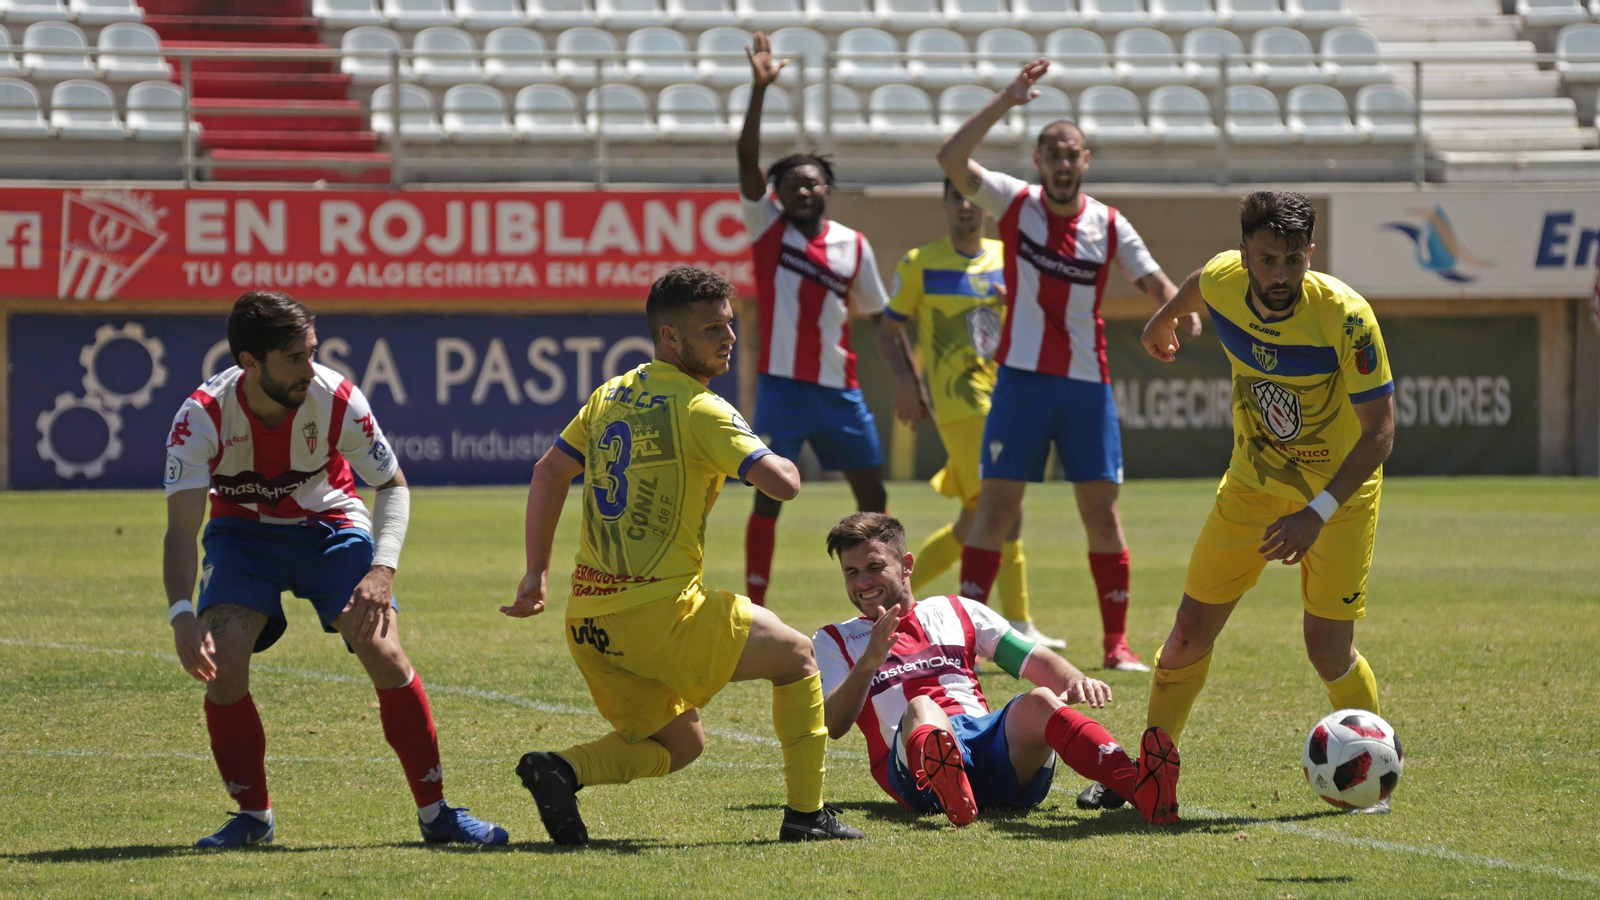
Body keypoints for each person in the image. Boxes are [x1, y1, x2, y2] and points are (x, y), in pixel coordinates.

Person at [503, 266, 864, 844]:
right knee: (798, 656)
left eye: (729, 324)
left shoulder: (609, 394)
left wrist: (536, 573)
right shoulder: (704, 409)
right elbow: (783, 484)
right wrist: (774, 448)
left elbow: (550, 471)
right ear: (671, 338)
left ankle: (560, 769)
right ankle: (806, 817)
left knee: (682, 744)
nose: (728, 337)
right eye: (712, 328)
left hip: (591, 622)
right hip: (663, 616)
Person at [162, 291, 506, 849]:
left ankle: (437, 814)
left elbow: (392, 485)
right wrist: (182, 614)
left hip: (330, 527)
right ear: (249, 363)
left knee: (385, 652)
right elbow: (181, 531)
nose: (309, 368)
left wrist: (382, 568)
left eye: (311, 352)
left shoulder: (336, 397)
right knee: (224, 665)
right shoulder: (200, 417)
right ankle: (253, 819)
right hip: (242, 536)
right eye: (293, 358)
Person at [1114, 190, 1395, 812]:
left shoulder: (1345, 317)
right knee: (1188, 633)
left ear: (1310, 255)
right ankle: (1151, 770)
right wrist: (1162, 319)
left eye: (1293, 260)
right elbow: (1197, 285)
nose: (1280, 276)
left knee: (1327, 649)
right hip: (1249, 489)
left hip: (1336, 502)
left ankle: (1373, 774)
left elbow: (1379, 432)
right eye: (1266, 260)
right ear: (1244, 254)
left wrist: (1315, 514)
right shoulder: (1222, 277)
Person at [935, 60, 1203, 672]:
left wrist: (1176, 311)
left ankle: (1116, 646)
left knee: (1101, 513)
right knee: (996, 511)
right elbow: (951, 159)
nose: (1062, 162)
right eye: (1052, 151)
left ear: (1086, 161)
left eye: (1072, 152)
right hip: (1022, 384)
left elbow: (1154, 278)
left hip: (1087, 387)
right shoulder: (1015, 202)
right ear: (1037, 159)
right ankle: (965, 647)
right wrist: (1006, 98)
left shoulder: (1108, 223)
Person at [813, 512, 1180, 827]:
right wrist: (868, 663)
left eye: (875, 567)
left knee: (1039, 700)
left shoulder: (956, 609)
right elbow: (835, 724)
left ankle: (1141, 788)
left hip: (985, 743)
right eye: (852, 572)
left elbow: (1031, 659)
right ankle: (949, 791)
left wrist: (1076, 681)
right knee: (922, 707)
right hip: (914, 767)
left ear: (907, 565)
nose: (863, 582)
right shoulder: (835, 639)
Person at [736, 31, 904, 608]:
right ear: (777, 195)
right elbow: (745, 161)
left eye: (811, 181)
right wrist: (759, 92)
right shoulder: (768, 229)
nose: (803, 189)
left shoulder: (853, 246)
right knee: (767, 495)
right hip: (782, 388)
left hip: (840, 391)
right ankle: (757, 600)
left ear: (825, 187)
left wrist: (907, 378)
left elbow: (881, 318)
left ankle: (890, 595)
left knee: (873, 494)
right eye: (791, 184)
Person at [875, 179, 1063, 650]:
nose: (964, 205)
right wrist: (907, 381)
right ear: (943, 203)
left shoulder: (1008, 257)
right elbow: (887, 328)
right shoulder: (920, 263)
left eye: (971, 197)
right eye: (954, 196)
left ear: (985, 206)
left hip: (1011, 397)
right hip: (960, 402)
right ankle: (1017, 620)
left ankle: (894, 600)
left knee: (975, 519)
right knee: (1005, 508)